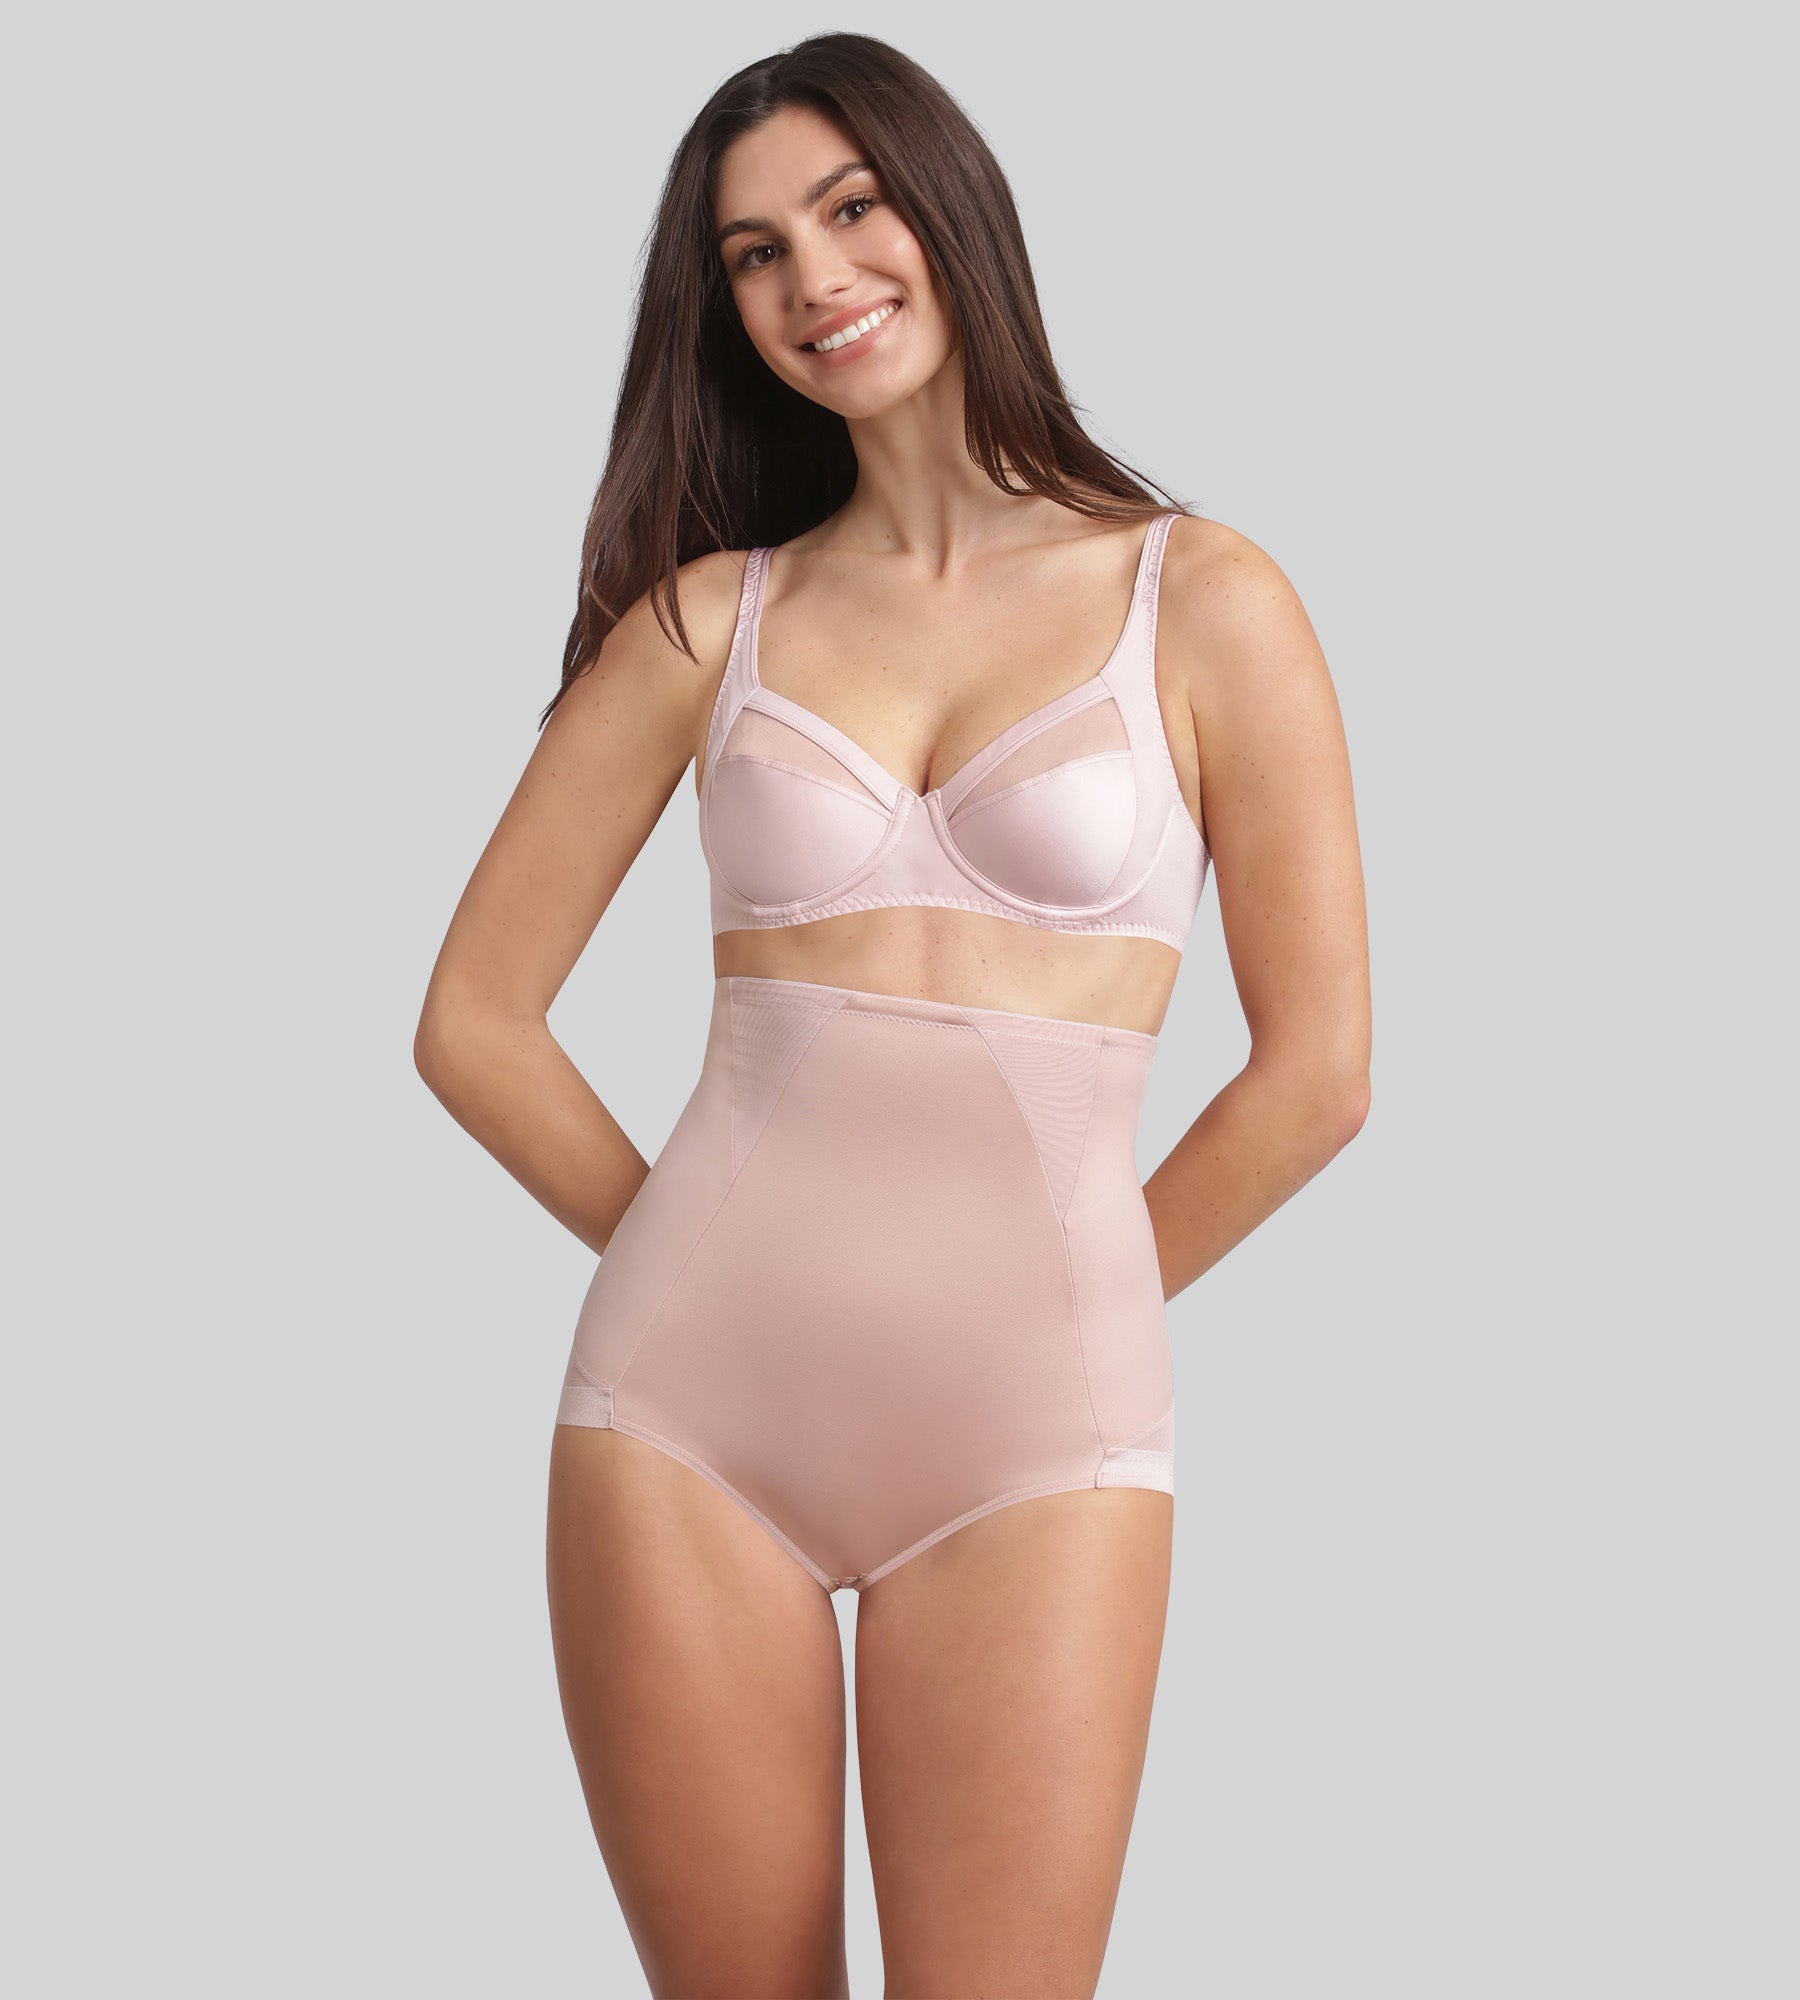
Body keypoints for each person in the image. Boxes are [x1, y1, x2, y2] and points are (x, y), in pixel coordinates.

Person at [415, 30, 1370, 1999]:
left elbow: (1318, 1077)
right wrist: (706, 1266)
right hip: (684, 1425)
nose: (816, 277)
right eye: (754, 252)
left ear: (954, 211)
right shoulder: (711, 621)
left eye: (852, 208)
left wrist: (1060, 1296)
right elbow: (474, 1019)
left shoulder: (1202, 600)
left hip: (1037, 1435)